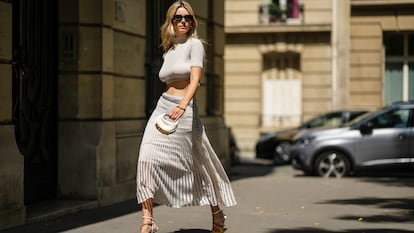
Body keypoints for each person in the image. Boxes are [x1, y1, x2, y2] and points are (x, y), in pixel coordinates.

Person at [136, 1, 237, 233]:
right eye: (178, 18)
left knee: (198, 162)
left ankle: (216, 212)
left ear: (192, 21)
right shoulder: (169, 49)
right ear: (171, 21)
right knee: (146, 158)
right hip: (163, 107)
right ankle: (148, 220)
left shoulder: (195, 45)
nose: (183, 21)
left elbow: (195, 81)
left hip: (184, 108)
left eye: (188, 18)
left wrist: (183, 106)